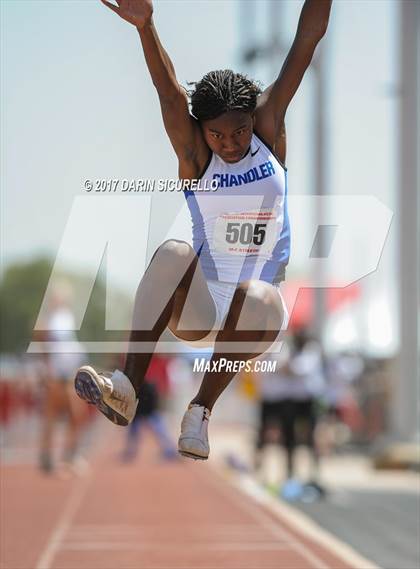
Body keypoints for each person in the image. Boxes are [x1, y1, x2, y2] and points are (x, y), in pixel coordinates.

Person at [75, 0, 332, 460]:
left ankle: (200, 411)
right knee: (174, 251)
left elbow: (305, 42)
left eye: (239, 130)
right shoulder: (196, 155)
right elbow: (169, 93)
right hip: (202, 307)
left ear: (253, 120)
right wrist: (146, 27)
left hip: (259, 313)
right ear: (203, 131)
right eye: (218, 134)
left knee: (253, 295)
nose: (230, 143)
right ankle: (126, 386)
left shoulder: (268, 134)